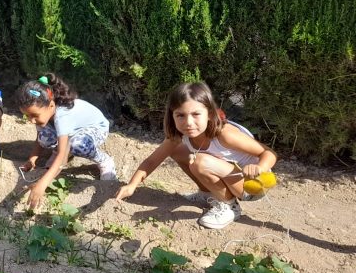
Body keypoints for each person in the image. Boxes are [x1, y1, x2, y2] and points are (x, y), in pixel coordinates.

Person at [114, 82, 277, 229]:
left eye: (196, 114)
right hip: (230, 175)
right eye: (181, 115)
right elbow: (152, 160)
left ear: (210, 114)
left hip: (253, 185)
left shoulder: (225, 135)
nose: (188, 123)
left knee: (199, 162)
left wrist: (259, 167)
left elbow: (269, 153)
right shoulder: (179, 136)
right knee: (177, 151)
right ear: (172, 116)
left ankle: (229, 207)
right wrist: (132, 185)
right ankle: (207, 193)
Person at [17, 73, 117, 210]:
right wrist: (32, 159)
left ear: (51, 106)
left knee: (78, 145)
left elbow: (62, 157)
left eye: (34, 116)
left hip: (94, 128)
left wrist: (42, 184)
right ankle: (59, 148)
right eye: (27, 116)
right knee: (44, 137)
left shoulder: (62, 116)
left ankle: (104, 160)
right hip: (70, 131)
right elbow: (38, 137)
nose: (31, 120)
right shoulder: (42, 112)